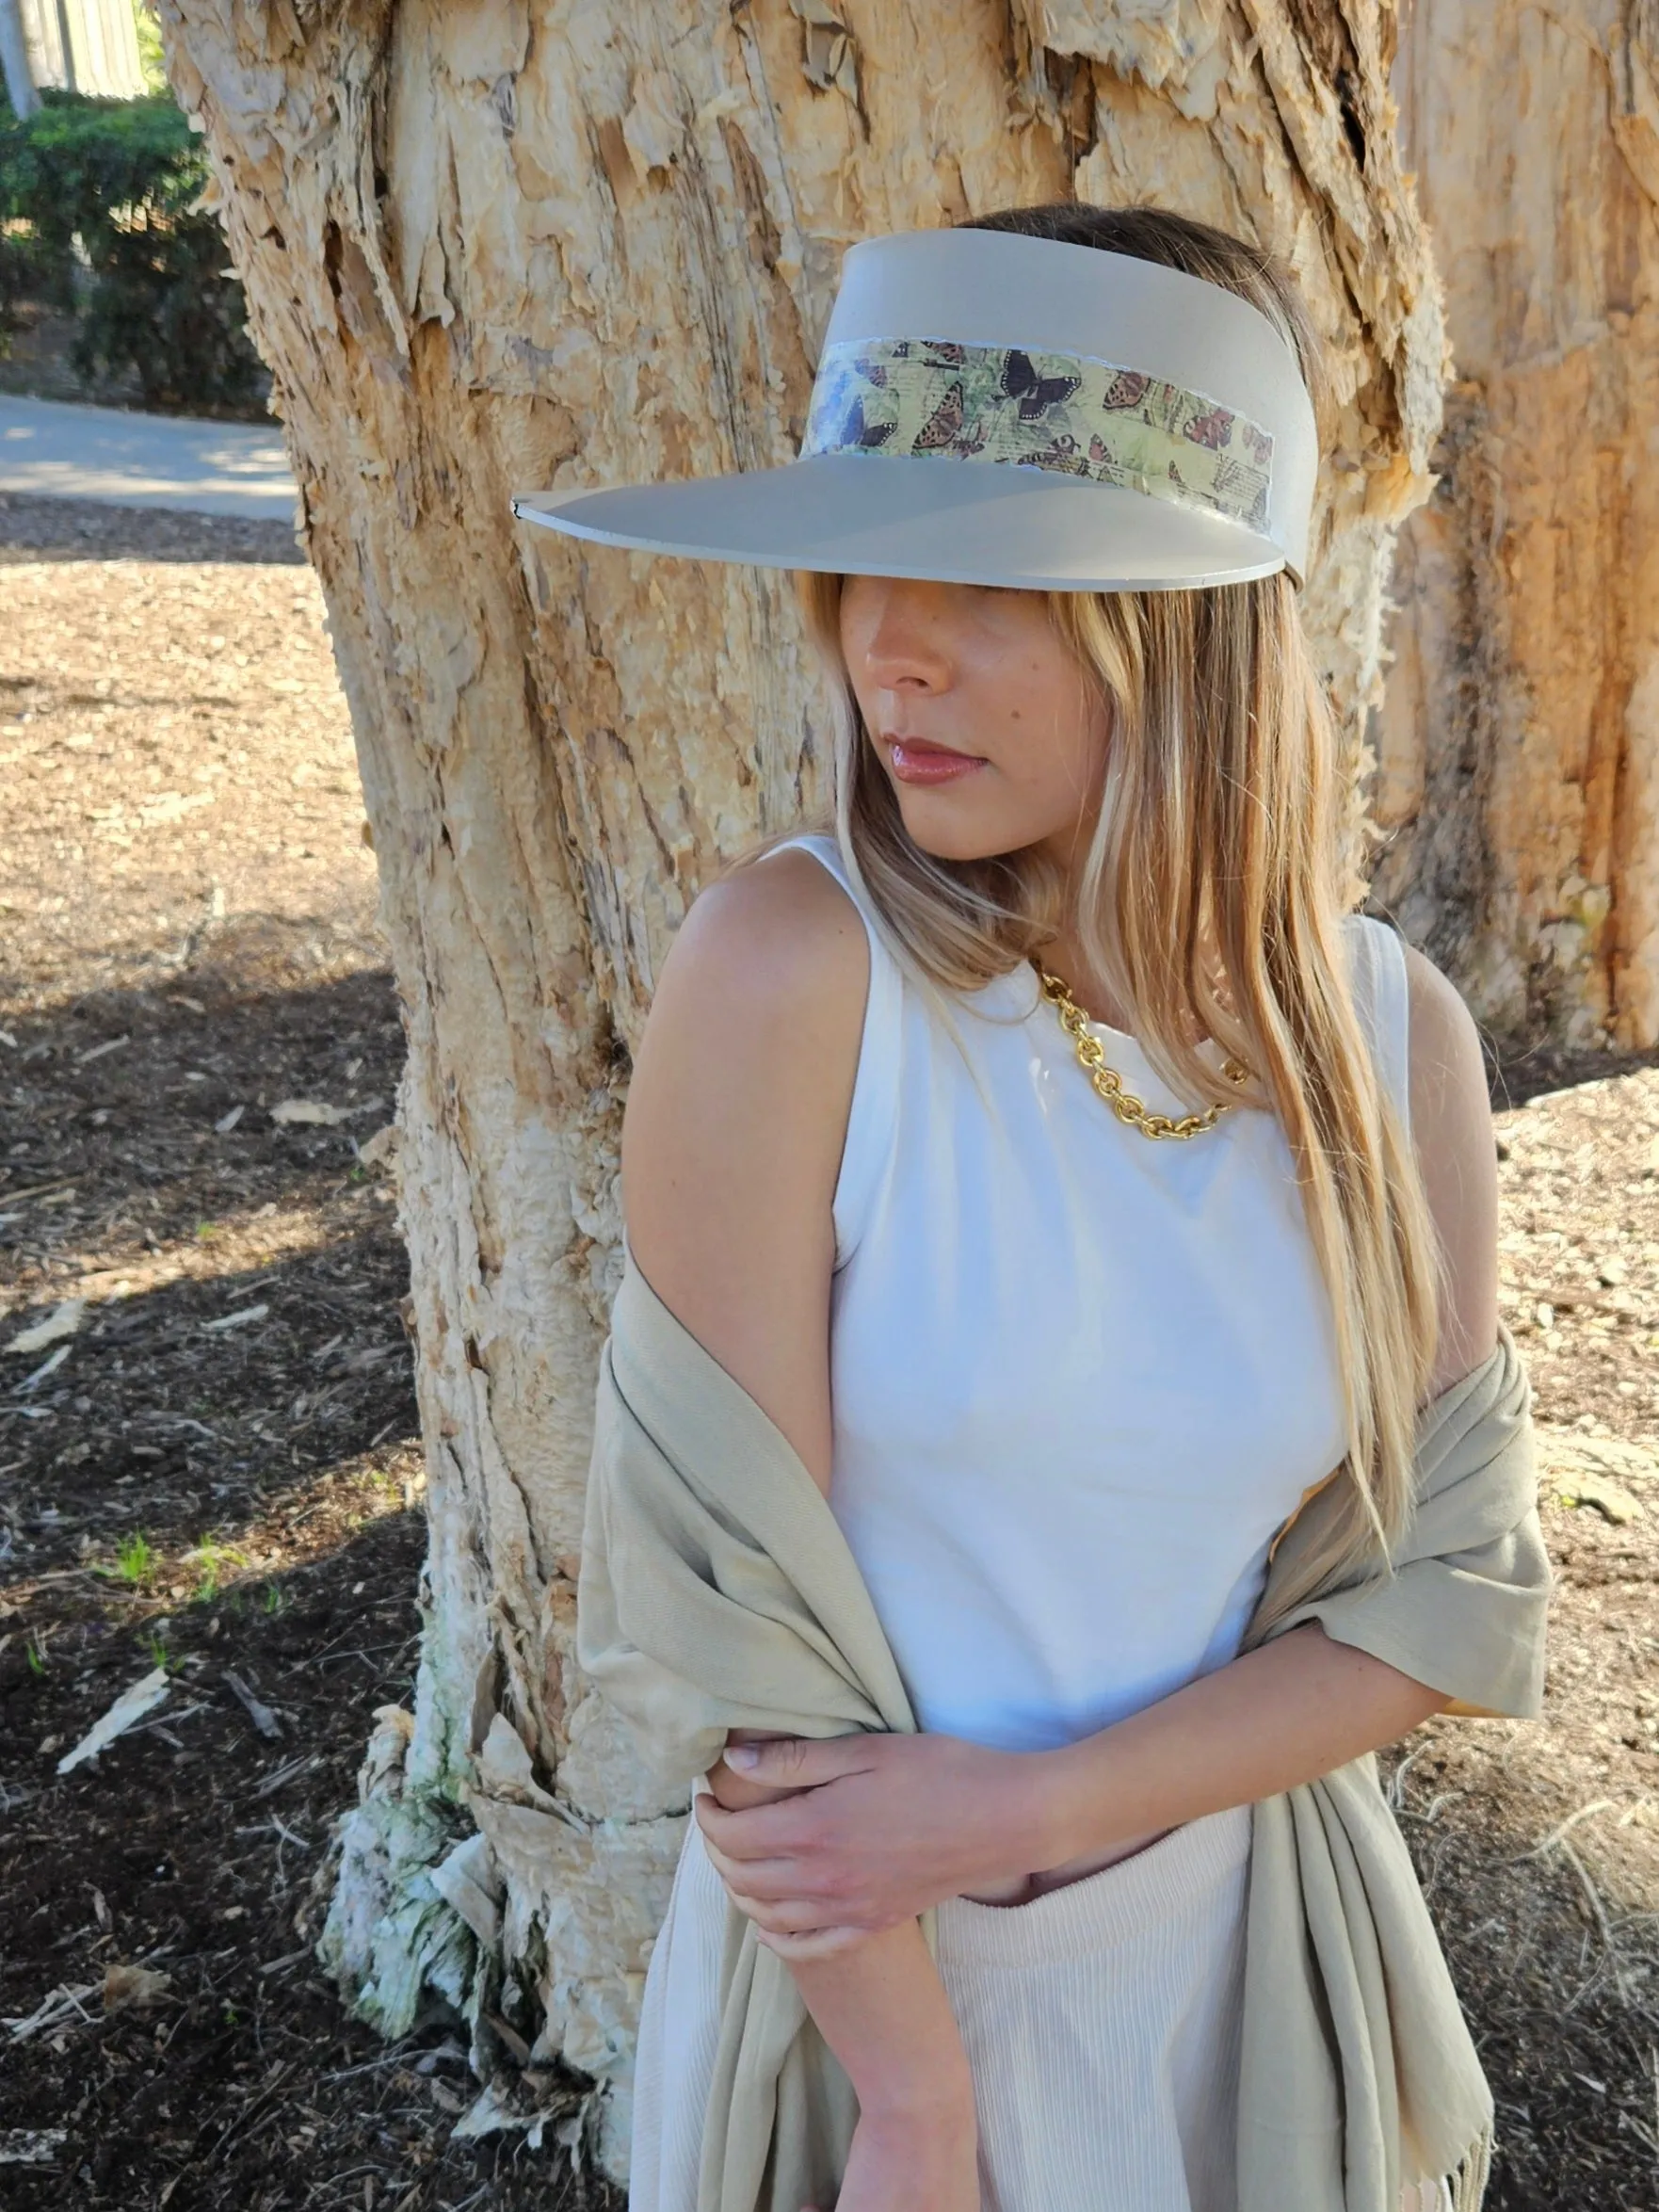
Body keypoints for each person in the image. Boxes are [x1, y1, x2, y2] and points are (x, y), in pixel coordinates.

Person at [518, 204, 1539, 2212]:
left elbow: (1436, 1596)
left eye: (978, 574)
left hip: (1244, 1967)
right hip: (869, 2001)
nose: (880, 644)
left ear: (1184, 619)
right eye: (857, 566)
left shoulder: (1382, 1037)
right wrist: (915, 2104)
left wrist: (1046, 1798)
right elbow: (741, 1630)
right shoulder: (793, 976)